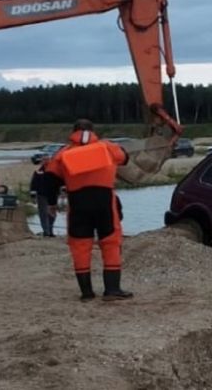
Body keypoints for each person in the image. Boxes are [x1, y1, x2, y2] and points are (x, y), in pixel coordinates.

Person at [44, 119, 133, 301]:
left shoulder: (63, 154)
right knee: (110, 242)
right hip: (104, 201)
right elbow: (125, 157)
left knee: (80, 245)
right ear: (93, 131)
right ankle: (112, 289)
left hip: (78, 203)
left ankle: (86, 293)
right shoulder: (107, 147)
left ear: (73, 132)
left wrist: (52, 204)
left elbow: (50, 180)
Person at [29, 158, 56, 237]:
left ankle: (50, 231)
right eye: (44, 161)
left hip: (52, 195)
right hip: (42, 195)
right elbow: (34, 184)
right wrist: (33, 195)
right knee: (44, 213)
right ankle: (47, 232)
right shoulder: (38, 172)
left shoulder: (55, 172)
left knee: (51, 213)